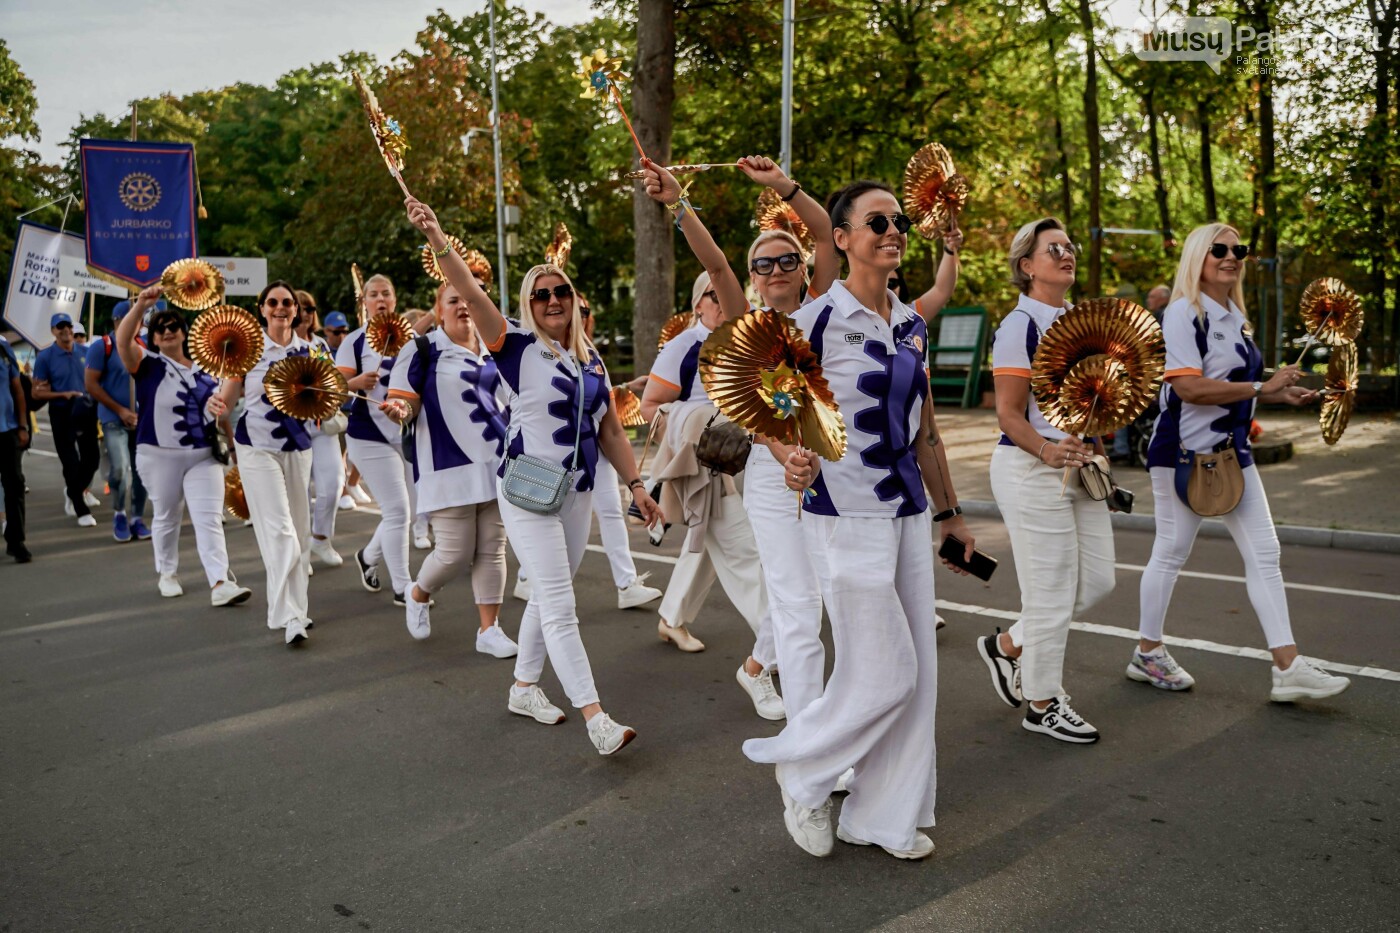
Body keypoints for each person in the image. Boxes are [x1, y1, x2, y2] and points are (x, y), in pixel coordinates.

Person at [746, 180, 974, 861]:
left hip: (906, 511)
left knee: (921, 676)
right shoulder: (814, 319)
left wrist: (951, 513)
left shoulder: (911, 322)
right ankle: (805, 773)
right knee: (885, 671)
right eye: (876, 221)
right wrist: (790, 455)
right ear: (841, 240)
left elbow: (925, 430)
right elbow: (768, 414)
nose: (893, 229)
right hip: (844, 513)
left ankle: (883, 816)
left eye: (898, 220)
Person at [406, 194, 663, 756]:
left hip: (576, 493)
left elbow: (612, 432)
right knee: (560, 602)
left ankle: (524, 686)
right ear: (528, 304)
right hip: (526, 490)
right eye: (540, 294)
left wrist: (639, 486)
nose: (552, 300)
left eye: (561, 292)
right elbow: (469, 291)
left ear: (574, 300)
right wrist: (436, 234)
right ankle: (596, 718)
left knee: (552, 598)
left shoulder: (591, 359)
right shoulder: (514, 345)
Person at [1133, 223, 1349, 702]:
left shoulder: (1234, 315)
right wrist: (1260, 388)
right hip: (1185, 454)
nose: (1232, 257)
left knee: (1265, 553)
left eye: (1239, 250)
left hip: (1234, 452)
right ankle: (1148, 651)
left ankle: (1287, 667)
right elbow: (1188, 387)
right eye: (1220, 249)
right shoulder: (1182, 314)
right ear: (1197, 256)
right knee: (1171, 551)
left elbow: (1234, 385)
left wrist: (1277, 393)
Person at [973, 217, 1114, 745]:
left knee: (1099, 581)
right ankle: (1043, 702)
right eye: (1052, 248)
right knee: (1051, 594)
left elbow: (1090, 404)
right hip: (1031, 469)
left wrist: (1098, 455)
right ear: (1027, 266)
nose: (1065, 253)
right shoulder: (1020, 325)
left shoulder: (1081, 320)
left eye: (1069, 246)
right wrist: (1049, 450)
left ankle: (1008, 645)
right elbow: (1009, 416)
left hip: (1078, 467)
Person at [382, 280, 517, 655]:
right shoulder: (422, 349)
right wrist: (400, 410)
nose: (462, 307)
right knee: (454, 554)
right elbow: (404, 403)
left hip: (497, 464)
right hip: (448, 467)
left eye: (467, 300)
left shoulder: (495, 349)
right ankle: (418, 591)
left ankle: (489, 630)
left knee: (493, 549)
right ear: (438, 310)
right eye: (452, 301)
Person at [513, 294, 664, 611]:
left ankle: (626, 583)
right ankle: (527, 576)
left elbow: (602, 407)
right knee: (546, 524)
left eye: (585, 309)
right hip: (547, 460)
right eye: (574, 307)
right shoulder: (529, 351)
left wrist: (637, 485)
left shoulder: (591, 355)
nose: (578, 313)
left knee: (610, 510)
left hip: (596, 451)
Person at [118, 288, 251, 606]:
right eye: (160, 328)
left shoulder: (208, 370)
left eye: (173, 326)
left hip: (203, 456)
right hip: (158, 455)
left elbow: (226, 406)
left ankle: (220, 582)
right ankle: (167, 573)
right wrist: (141, 307)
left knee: (208, 518)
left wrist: (235, 366)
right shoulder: (146, 364)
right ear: (152, 337)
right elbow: (124, 340)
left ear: (183, 332)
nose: (167, 331)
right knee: (166, 516)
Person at [216, 281, 315, 645]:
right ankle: (288, 616)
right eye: (272, 302)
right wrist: (216, 406)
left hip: (298, 446)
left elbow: (326, 401)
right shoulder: (246, 351)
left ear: (296, 309)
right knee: (280, 531)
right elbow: (226, 399)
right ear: (262, 308)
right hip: (256, 446)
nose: (280, 307)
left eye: (287, 302)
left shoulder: (311, 352)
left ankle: (297, 611)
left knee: (300, 531)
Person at [337, 274, 423, 604]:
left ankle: (369, 556)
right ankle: (404, 588)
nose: (380, 299)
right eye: (373, 294)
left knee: (412, 511)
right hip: (368, 435)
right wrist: (357, 381)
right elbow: (334, 386)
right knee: (398, 510)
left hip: (407, 433)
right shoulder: (355, 341)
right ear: (365, 302)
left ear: (395, 299)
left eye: (386, 292)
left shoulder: (416, 339)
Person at [86, 300, 151, 543]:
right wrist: (120, 410)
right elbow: (91, 384)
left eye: (140, 319)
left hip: (141, 420)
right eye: (133, 319)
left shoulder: (143, 345)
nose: (138, 324)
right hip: (114, 419)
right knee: (121, 469)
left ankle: (137, 517)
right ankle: (119, 513)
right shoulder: (102, 346)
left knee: (142, 471)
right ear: (117, 321)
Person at [292, 289, 345, 568]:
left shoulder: (321, 345)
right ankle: (300, 551)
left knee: (333, 485)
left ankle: (321, 538)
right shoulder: (281, 344)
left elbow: (333, 379)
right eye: (300, 308)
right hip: (293, 427)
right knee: (299, 492)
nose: (305, 314)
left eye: (310, 308)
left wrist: (331, 397)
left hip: (321, 424)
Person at [33, 313, 101, 527]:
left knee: (92, 460)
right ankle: (81, 510)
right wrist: (62, 394)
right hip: (62, 411)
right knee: (70, 462)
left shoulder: (87, 352)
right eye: (60, 327)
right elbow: (37, 393)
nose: (66, 330)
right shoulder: (45, 357)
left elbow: (98, 379)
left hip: (85, 410)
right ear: (53, 331)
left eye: (68, 326)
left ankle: (72, 490)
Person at [0, 332, 29, 562]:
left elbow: (17, 388)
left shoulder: (3, 346)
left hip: (7, 429)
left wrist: (22, 425)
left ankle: (16, 541)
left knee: (15, 485)